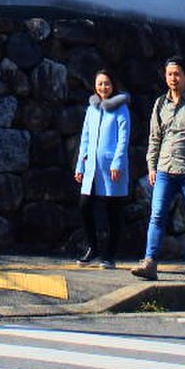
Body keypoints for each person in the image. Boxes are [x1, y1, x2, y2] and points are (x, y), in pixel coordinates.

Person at [130, 57, 185, 282]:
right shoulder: (160, 104)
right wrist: (151, 166)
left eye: (177, 73)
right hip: (164, 170)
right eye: (169, 74)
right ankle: (150, 262)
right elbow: (154, 138)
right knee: (157, 215)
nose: (173, 78)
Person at [72, 69, 132, 266]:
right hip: (92, 167)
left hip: (111, 167)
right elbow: (85, 138)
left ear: (113, 85)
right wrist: (80, 164)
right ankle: (93, 247)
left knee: (112, 210)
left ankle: (109, 255)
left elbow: (123, 140)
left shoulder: (121, 108)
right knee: (85, 205)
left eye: (107, 83)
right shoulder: (92, 108)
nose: (103, 87)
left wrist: (117, 162)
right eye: (99, 84)